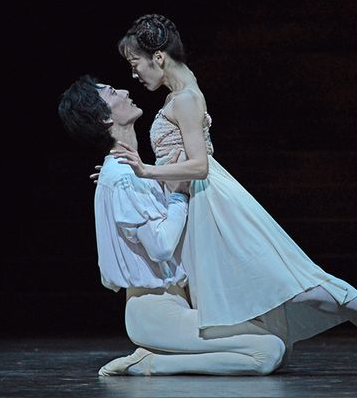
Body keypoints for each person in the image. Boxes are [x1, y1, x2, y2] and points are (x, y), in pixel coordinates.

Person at [100, 13, 357, 374]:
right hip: (201, 205)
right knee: (281, 284)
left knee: (290, 281)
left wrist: (146, 170)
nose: (134, 73)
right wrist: (131, 177)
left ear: (158, 57)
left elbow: (199, 165)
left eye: (134, 62)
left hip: (215, 204)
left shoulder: (184, 98)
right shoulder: (182, 92)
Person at [58, 75, 286, 376]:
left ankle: (153, 357)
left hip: (173, 305)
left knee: (276, 334)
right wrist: (178, 194)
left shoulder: (130, 172)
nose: (125, 91)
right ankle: (152, 363)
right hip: (155, 313)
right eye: (113, 92)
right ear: (103, 118)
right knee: (268, 352)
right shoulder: (123, 176)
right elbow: (161, 245)